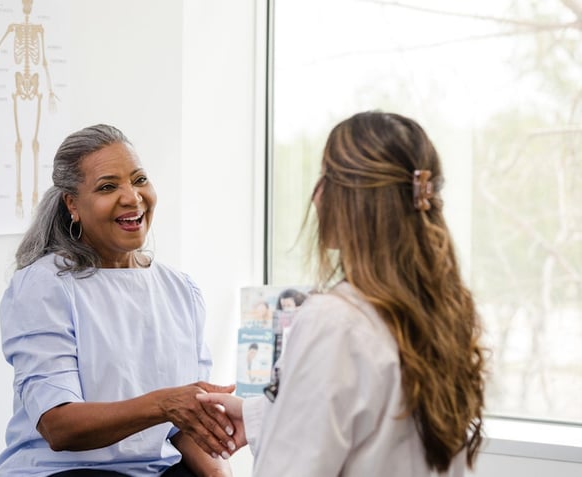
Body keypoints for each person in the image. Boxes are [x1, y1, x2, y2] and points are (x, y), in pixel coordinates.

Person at [199, 111, 488, 476]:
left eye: (326, 177)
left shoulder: (333, 321)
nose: (316, 194)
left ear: (354, 200)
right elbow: (376, 422)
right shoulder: (443, 311)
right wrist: (256, 414)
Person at [0, 124, 236, 477]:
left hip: (155, 470)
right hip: (65, 471)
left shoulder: (181, 289)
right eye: (108, 187)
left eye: (139, 180)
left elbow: (187, 425)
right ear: (72, 204)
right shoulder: (45, 287)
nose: (132, 197)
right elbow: (59, 426)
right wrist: (164, 404)